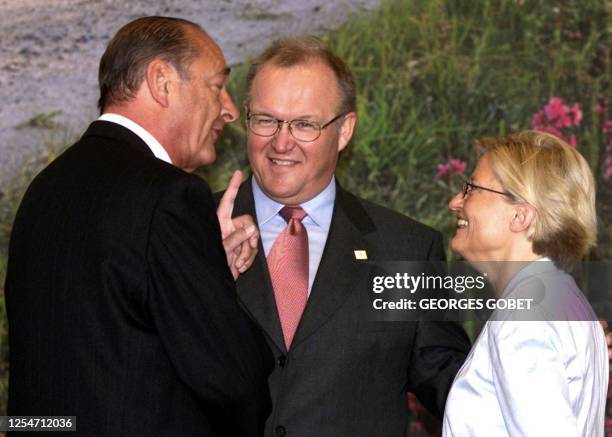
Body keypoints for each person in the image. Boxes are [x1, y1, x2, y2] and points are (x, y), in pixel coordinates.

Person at [5, 16, 272, 436]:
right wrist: (217, 289)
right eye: (217, 85)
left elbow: (104, 338)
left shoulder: (45, 188)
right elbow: (232, 377)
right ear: (162, 81)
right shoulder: (169, 196)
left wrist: (206, 267)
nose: (230, 109)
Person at [219, 37, 471, 436]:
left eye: (304, 124)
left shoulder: (403, 248)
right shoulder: (189, 231)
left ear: (344, 131)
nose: (280, 143)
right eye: (266, 120)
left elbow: (448, 379)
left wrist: (542, 346)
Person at [442, 131, 608, 436]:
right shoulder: (561, 299)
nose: (455, 202)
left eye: (470, 189)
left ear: (520, 216)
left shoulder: (524, 317)